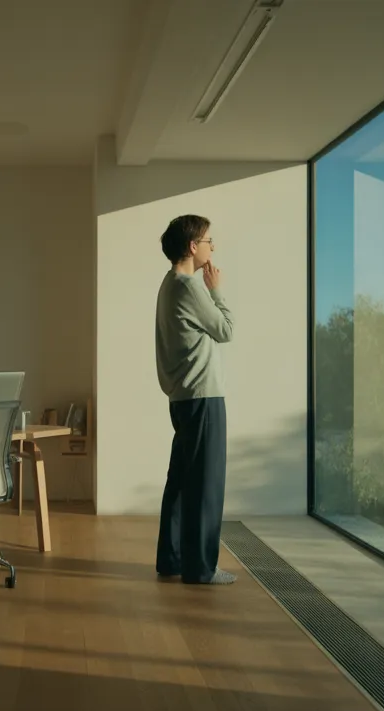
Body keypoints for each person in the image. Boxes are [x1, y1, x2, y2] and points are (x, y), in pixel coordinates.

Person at [154, 214, 235, 585]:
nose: (212, 246)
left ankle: (171, 559)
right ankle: (201, 568)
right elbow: (225, 330)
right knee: (205, 484)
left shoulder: (168, 284)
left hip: (183, 397)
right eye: (208, 240)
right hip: (203, 396)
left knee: (182, 480)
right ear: (192, 247)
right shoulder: (190, 286)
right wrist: (216, 289)